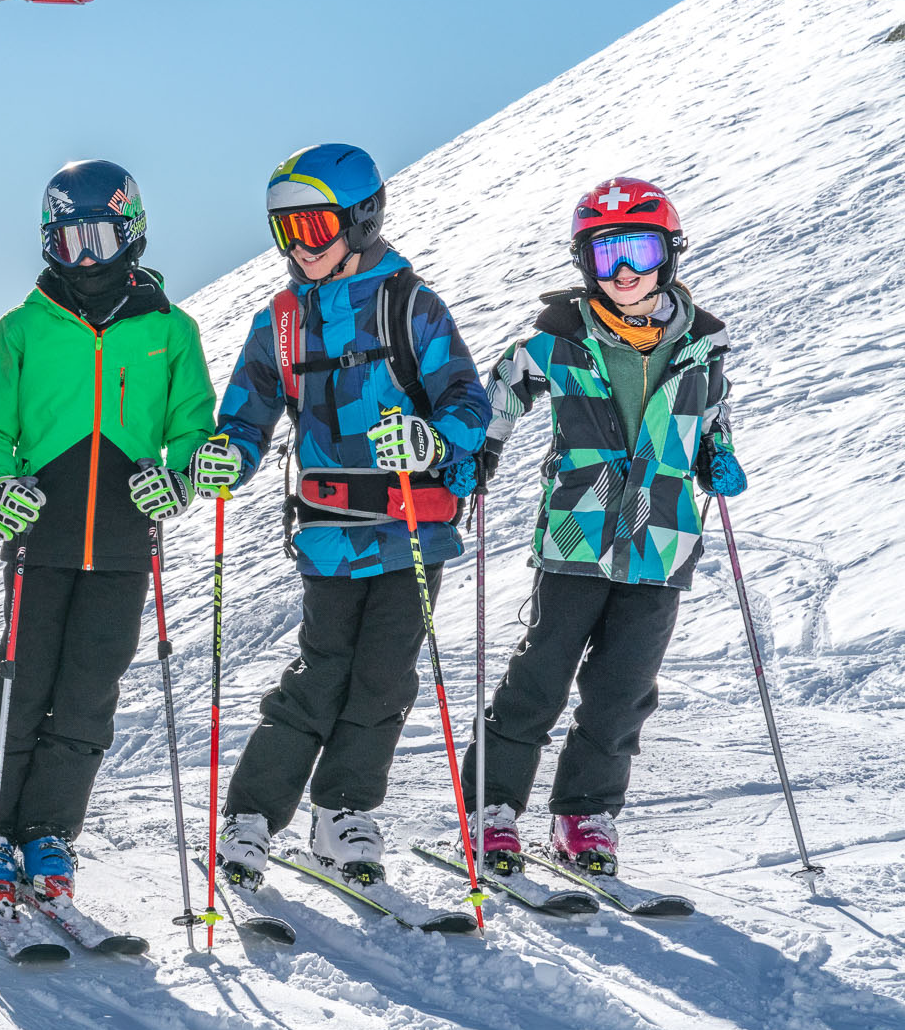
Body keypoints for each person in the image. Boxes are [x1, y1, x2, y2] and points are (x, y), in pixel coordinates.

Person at [194, 144, 489, 885]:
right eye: (286, 230)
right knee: (322, 675)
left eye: (316, 225)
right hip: (330, 533)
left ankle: (344, 811)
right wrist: (230, 452)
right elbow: (249, 411)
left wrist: (434, 438)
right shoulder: (284, 322)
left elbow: (467, 401)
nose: (301, 245)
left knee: (385, 679)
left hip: (410, 530)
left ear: (360, 220)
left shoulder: (409, 304)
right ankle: (253, 815)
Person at [0, 159, 216, 907]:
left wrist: (184, 476)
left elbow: (194, 427)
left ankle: (47, 831)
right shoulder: (21, 331)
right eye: (67, 241)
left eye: (98, 238)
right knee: (21, 683)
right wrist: (0, 484)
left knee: (90, 692)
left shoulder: (171, 331)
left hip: (127, 540)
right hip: (41, 534)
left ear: (131, 233)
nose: (85, 258)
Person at [461, 177, 743, 877]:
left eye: (639, 252)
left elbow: (710, 417)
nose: (623, 273)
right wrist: (481, 451)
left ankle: (584, 816)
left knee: (622, 691)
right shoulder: (557, 340)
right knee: (540, 678)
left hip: (662, 540)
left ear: (668, 256)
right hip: (577, 534)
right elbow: (497, 393)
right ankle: (491, 809)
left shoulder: (704, 346)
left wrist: (719, 456)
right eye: (606, 254)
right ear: (585, 261)